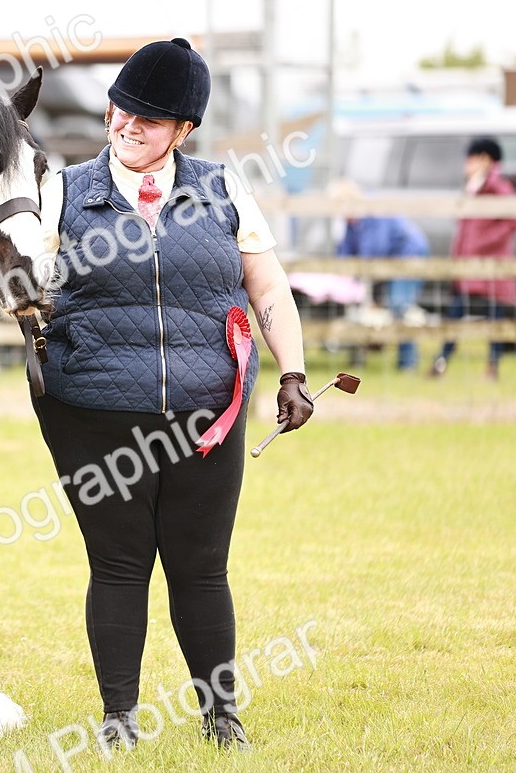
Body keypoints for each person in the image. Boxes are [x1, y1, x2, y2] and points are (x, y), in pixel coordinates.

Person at [31, 38, 313, 751]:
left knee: (200, 566)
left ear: (184, 131)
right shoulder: (61, 191)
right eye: (121, 110)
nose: (127, 125)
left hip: (208, 412)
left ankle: (223, 718)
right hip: (93, 411)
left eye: (149, 120)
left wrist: (293, 372)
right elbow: (18, 288)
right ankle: (119, 718)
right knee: (118, 565)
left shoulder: (224, 189)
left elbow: (268, 286)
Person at [430, 137, 516, 379]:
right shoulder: (473, 188)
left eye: (471, 159)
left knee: (495, 322)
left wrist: (484, 243)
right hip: (469, 268)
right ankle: (441, 361)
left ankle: (492, 367)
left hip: (492, 268)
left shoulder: (498, 186)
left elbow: (511, 219)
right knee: (456, 315)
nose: (465, 164)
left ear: (484, 159)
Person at [331, 178, 430, 371]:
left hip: (409, 257)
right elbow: (346, 249)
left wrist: (355, 271)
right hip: (389, 262)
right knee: (375, 308)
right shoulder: (353, 221)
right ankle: (367, 356)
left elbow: (375, 250)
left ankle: (408, 363)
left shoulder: (373, 211)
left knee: (399, 305)